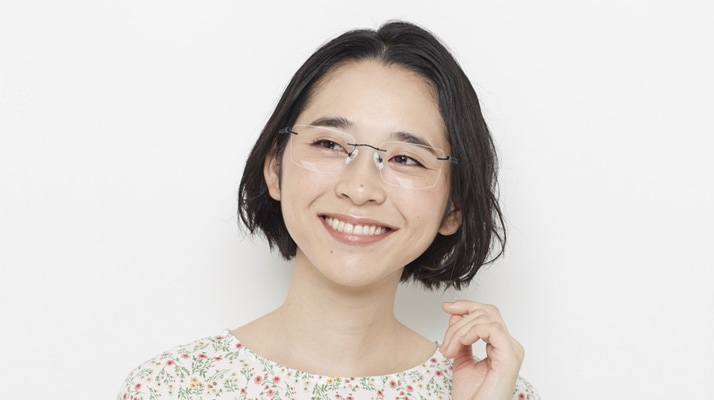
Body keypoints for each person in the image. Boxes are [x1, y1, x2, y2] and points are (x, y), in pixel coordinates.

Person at [117, 21, 539, 400]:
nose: (360, 188)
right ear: (275, 168)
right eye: (330, 144)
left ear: (454, 206)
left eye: (405, 158)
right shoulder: (170, 388)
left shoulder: (497, 391)